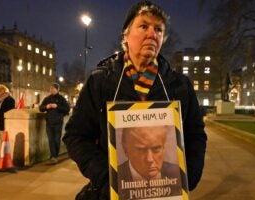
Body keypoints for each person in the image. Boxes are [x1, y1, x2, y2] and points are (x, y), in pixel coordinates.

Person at [63, 1, 207, 199]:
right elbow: (76, 136)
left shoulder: (180, 85)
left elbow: (195, 134)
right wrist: (108, 179)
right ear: (126, 35)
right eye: (144, 26)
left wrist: (187, 176)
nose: (152, 34)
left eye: (158, 29)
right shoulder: (100, 82)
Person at [118, 126, 182, 199]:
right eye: (141, 150)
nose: (149, 159)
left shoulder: (178, 173)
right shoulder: (114, 177)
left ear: (164, 148)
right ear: (126, 150)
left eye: (156, 149)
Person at [39, 83, 70, 164]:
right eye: (50, 89)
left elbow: (67, 109)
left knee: (56, 139)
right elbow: (40, 108)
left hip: (58, 122)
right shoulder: (47, 99)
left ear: (57, 89)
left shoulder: (61, 99)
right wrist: (46, 107)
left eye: (53, 89)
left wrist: (57, 106)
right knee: (50, 139)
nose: (51, 90)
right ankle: (54, 156)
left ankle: (54, 156)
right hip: (49, 122)